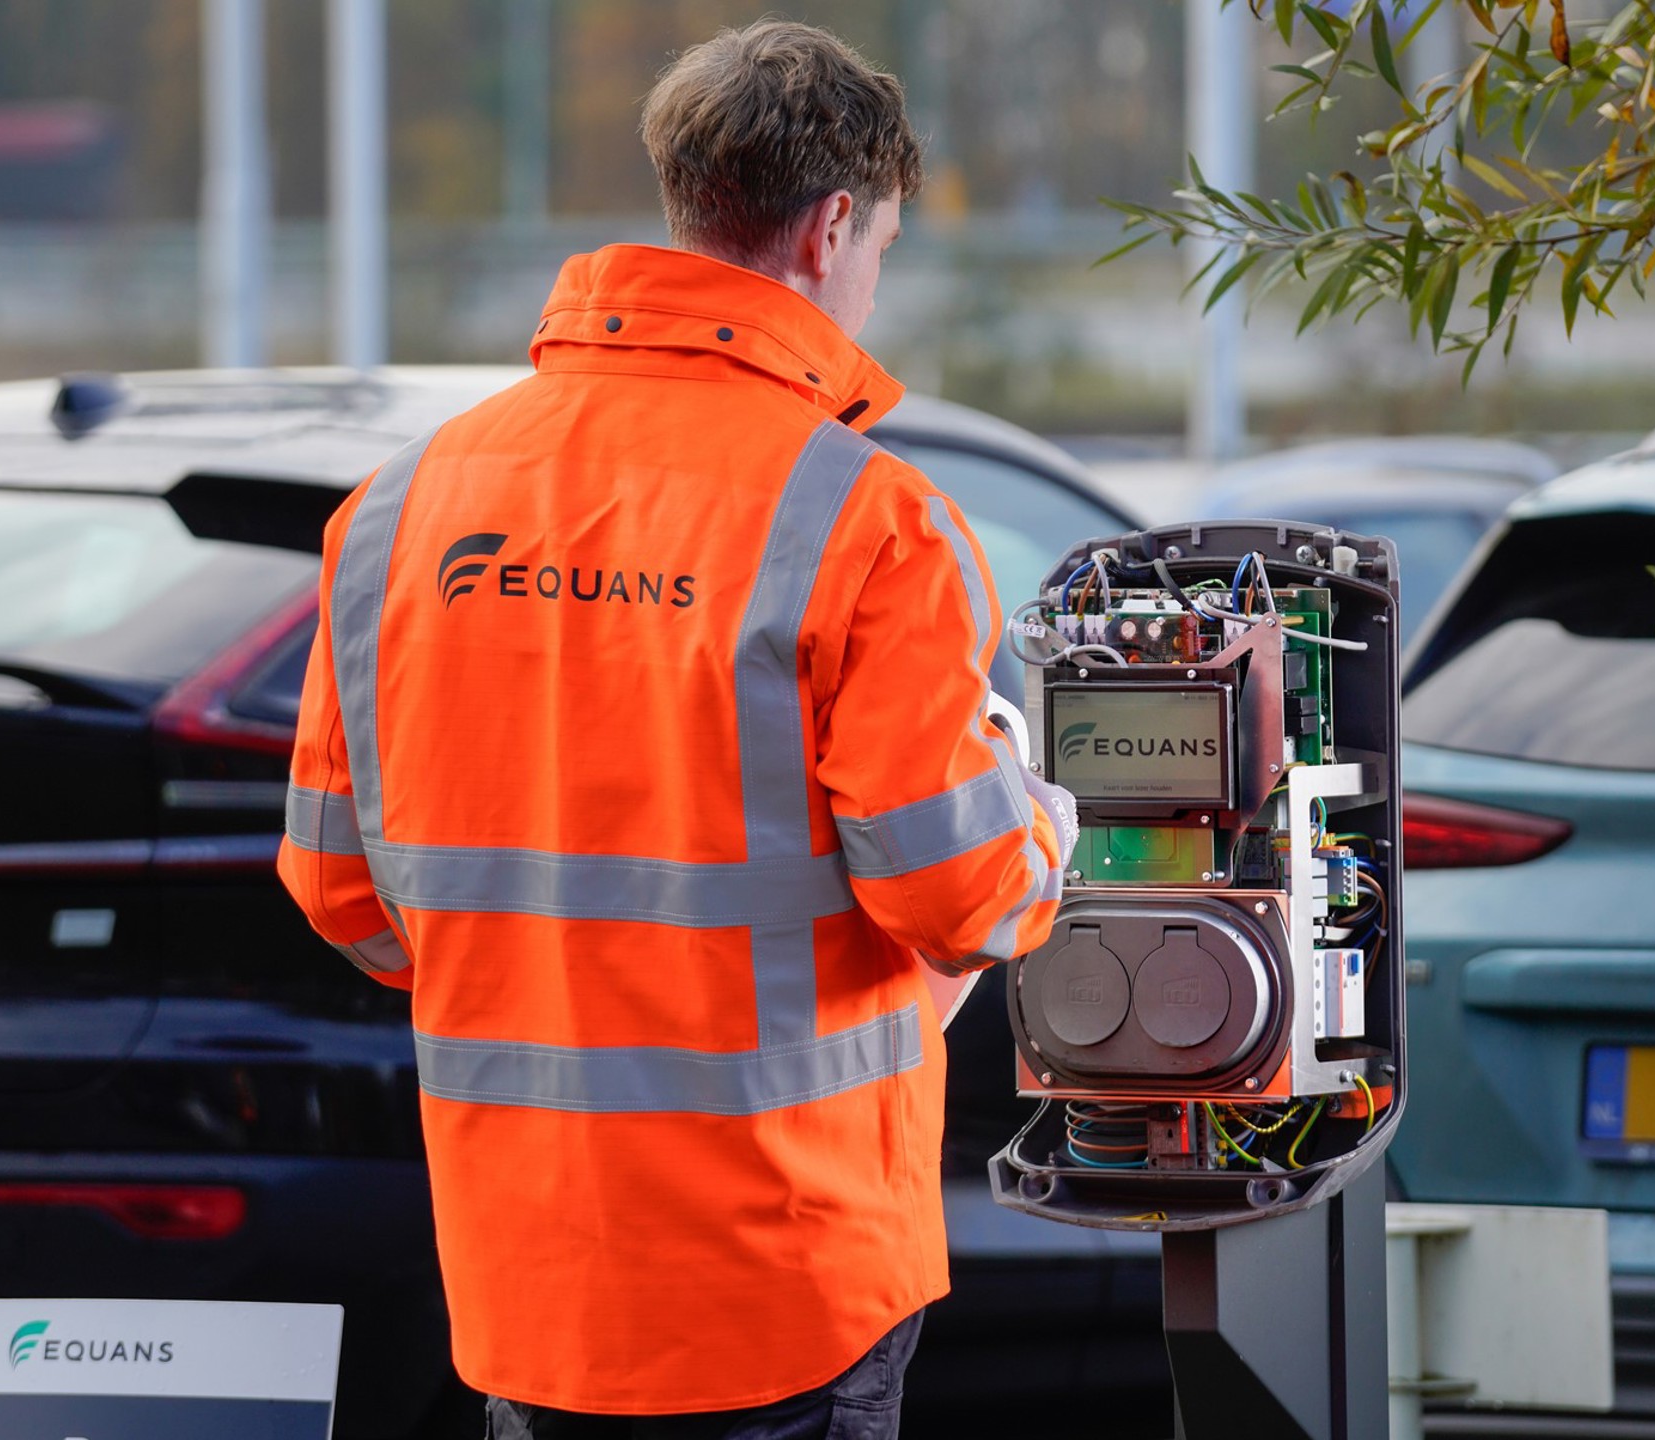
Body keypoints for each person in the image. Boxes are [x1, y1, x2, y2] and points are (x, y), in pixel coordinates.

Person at [278, 19, 1075, 1439]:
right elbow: (957, 895)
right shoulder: (868, 519)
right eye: (885, 249)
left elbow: (343, 890)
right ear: (831, 228)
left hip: (530, 1288)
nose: (873, 286)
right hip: (786, 1278)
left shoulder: (401, 506)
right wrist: (1038, 818)